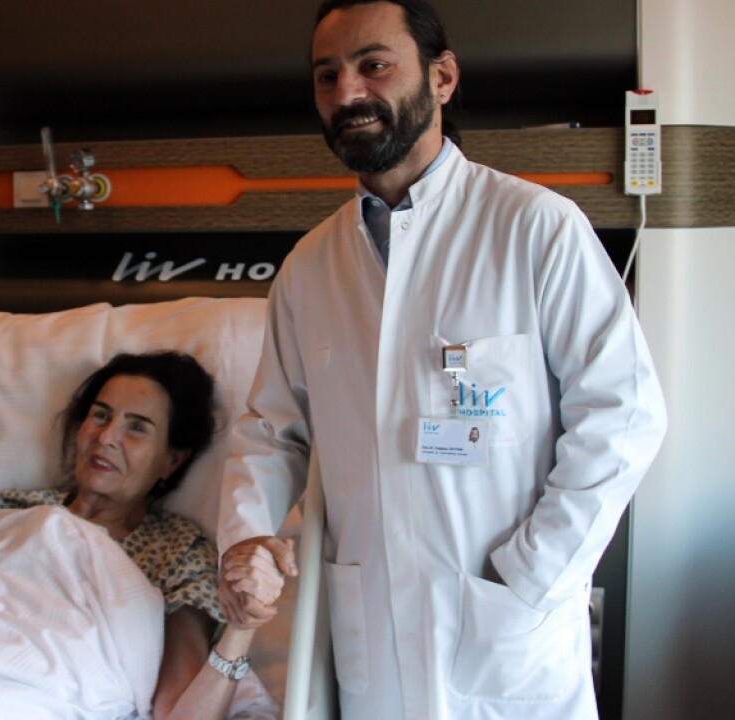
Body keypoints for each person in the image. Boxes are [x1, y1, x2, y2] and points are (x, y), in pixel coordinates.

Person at [216, 1, 668, 719]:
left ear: (442, 77)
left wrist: (530, 575)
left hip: (507, 622)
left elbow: (624, 415)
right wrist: (246, 540)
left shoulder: (535, 228)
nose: (348, 92)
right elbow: (272, 431)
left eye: (374, 65)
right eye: (327, 76)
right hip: (374, 632)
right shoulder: (309, 268)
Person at [0, 352, 286, 719]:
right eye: (100, 415)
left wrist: (241, 629)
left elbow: (176, 707)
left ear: (172, 459)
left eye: (136, 427)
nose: (106, 437)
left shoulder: (179, 551)